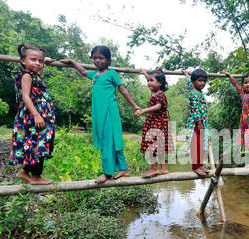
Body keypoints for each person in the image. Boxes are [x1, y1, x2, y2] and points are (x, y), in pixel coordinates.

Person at [59, 46, 141, 183]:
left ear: (108, 60)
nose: (97, 60)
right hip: (98, 113)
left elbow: (123, 90)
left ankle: (107, 173)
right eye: (95, 58)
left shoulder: (112, 73)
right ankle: (124, 168)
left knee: (107, 141)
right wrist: (72, 62)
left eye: (101, 58)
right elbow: (84, 72)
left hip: (109, 112)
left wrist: (135, 106)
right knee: (111, 140)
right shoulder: (95, 75)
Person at [10, 44, 56, 185]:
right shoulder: (27, 76)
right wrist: (36, 115)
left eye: (40, 61)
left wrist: (44, 61)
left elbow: (39, 67)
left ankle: (25, 172)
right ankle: (36, 176)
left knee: (40, 143)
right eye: (33, 60)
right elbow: (25, 97)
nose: (38, 63)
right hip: (34, 116)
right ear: (23, 61)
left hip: (42, 116)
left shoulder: (35, 75)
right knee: (39, 144)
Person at [135, 68, 174, 178]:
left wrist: (143, 110)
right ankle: (163, 168)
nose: (149, 83)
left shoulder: (160, 94)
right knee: (158, 145)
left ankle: (154, 168)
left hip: (157, 123)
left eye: (151, 81)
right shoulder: (155, 91)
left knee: (152, 144)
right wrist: (145, 74)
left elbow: (158, 106)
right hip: (155, 122)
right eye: (148, 81)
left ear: (160, 83)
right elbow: (152, 80)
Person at [181, 69, 210, 176]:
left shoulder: (196, 90)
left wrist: (186, 75)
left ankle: (200, 165)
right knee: (196, 144)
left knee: (202, 144)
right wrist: (199, 122)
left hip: (202, 123)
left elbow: (190, 82)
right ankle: (195, 166)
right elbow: (195, 108)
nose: (202, 83)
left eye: (204, 81)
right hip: (196, 124)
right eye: (200, 80)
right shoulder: (194, 93)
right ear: (194, 82)